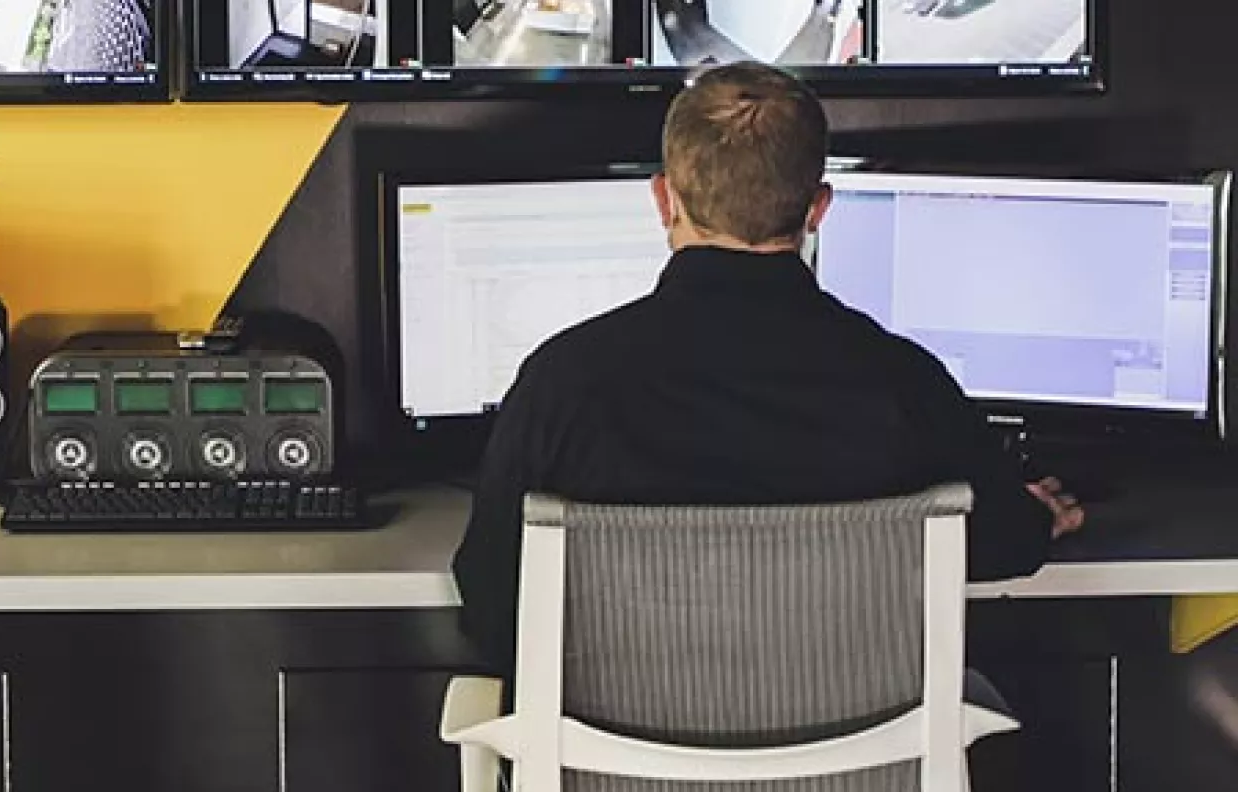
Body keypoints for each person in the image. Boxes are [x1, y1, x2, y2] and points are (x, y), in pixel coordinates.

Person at [451, 61, 1083, 677]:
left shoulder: (564, 383)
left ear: (664, 198)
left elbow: (491, 606)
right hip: (851, 778)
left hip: (619, 778)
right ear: (818, 208)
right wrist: (1030, 513)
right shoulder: (903, 381)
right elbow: (1009, 543)